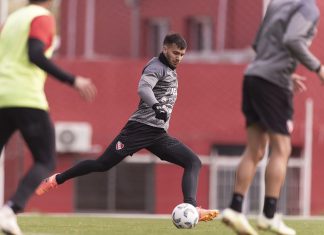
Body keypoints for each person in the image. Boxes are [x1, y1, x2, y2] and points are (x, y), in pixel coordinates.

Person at [36, 33, 219, 222]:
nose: (178, 58)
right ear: (164, 49)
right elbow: (143, 89)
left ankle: (191, 207)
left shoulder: (171, 70)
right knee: (102, 164)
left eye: (182, 54)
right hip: (138, 129)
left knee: (193, 162)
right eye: (175, 53)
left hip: (158, 134)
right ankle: (56, 180)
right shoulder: (156, 66)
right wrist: (156, 106)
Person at [221, 0, 324, 235]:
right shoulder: (309, 8)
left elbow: (259, 45)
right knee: (282, 148)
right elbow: (292, 40)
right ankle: (268, 216)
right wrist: (318, 68)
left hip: (253, 77)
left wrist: (287, 74)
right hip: (273, 83)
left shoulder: (277, 4)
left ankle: (235, 209)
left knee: (255, 149)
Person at [0, 0, 97, 234]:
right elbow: (35, 53)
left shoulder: (12, 20)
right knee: (45, 160)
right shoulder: (42, 17)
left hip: (2, 95)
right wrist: (73, 80)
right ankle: (10, 210)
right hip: (25, 98)